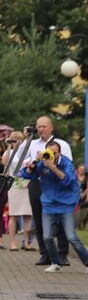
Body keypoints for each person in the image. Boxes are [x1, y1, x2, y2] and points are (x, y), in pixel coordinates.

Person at [24, 141, 87, 273]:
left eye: (55, 153)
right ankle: (56, 263)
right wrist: (31, 167)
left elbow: (68, 181)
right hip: (49, 204)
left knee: (71, 237)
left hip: (66, 204)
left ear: (59, 153)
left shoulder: (67, 163)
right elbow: (29, 175)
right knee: (47, 237)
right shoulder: (43, 162)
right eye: (49, 152)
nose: (52, 155)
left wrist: (53, 167)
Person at [28, 116, 74, 265]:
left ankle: (62, 254)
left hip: (55, 184)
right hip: (37, 183)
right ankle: (45, 253)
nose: (41, 129)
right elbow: (18, 159)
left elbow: (67, 165)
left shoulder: (62, 144)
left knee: (59, 218)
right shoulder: (32, 143)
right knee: (38, 219)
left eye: (44, 126)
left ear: (51, 127)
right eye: (38, 126)